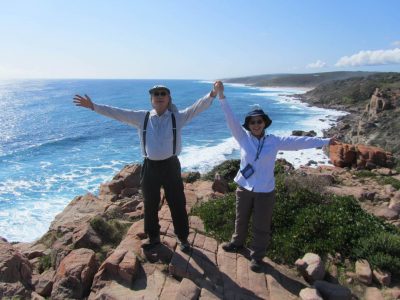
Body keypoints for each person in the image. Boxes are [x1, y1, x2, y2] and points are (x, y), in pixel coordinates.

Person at [73, 83, 219, 252]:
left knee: (177, 203)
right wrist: (93, 106)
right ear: (151, 100)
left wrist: (213, 93)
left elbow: (197, 107)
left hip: (171, 165)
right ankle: (153, 237)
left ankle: (182, 237)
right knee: (150, 203)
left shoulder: (177, 117)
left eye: (163, 93)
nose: (159, 96)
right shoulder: (142, 117)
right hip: (150, 167)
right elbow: (118, 113)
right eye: (155, 94)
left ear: (168, 98)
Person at [213, 81, 335, 272]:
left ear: (264, 123)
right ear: (248, 125)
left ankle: (257, 256)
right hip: (244, 187)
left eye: (259, 121)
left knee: (261, 225)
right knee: (241, 218)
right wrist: (221, 96)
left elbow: (299, 142)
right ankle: (237, 243)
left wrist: (325, 141)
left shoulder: (274, 141)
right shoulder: (243, 137)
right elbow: (230, 118)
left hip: (265, 190)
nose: (255, 125)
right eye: (252, 122)